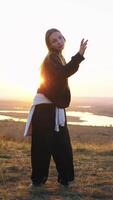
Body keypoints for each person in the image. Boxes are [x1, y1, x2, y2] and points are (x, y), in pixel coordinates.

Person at [24, 28, 88, 188]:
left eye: (60, 38)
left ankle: (64, 179)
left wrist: (78, 57)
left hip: (54, 107)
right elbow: (64, 73)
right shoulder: (51, 58)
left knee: (62, 144)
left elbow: (64, 73)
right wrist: (79, 55)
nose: (59, 41)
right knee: (42, 146)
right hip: (44, 109)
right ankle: (38, 181)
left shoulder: (58, 57)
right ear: (50, 45)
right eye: (54, 40)